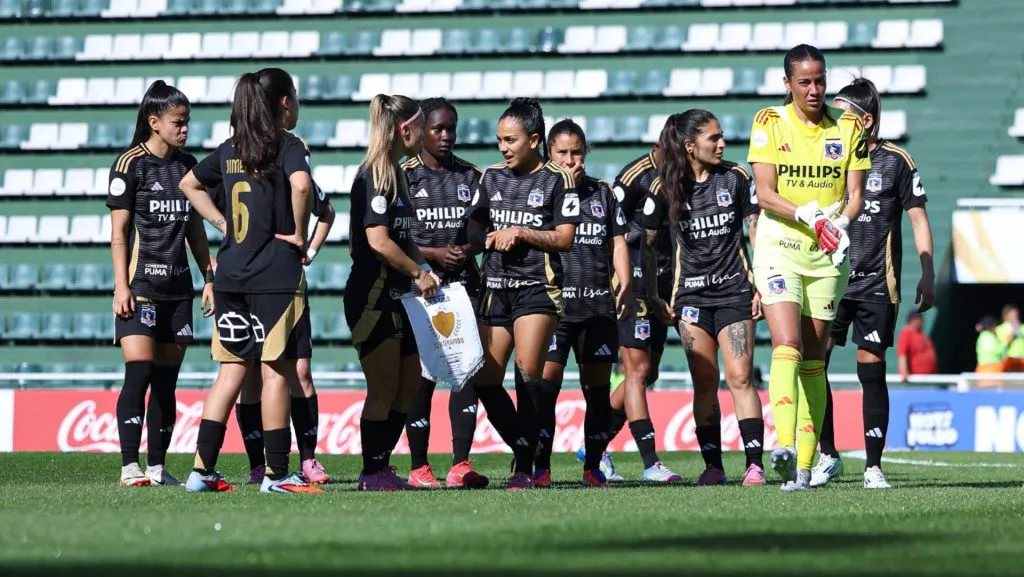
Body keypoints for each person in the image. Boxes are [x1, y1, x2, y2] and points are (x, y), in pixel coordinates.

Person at [179, 67, 320, 494]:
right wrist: (298, 233)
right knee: (276, 372)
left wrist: (224, 223)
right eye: (294, 96)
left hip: (232, 274)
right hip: (275, 275)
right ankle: (277, 475)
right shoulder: (287, 145)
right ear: (283, 103)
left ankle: (201, 471)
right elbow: (301, 185)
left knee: (230, 374)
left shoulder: (229, 149)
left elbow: (189, 183)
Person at [746, 44, 869, 491]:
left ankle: (803, 466)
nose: (815, 89)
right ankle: (782, 446)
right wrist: (808, 216)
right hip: (781, 246)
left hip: (826, 256)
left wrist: (837, 223)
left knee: (815, 362)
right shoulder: (769, 122)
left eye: (820, 80)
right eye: (805, 82)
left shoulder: (848, 126)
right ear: (788, 84)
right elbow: (764, 193)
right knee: (787, 344)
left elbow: (854, 196)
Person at [811, 78, 936, 489]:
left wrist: (928, 271)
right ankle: (827, 455)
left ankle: (872, 465)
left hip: (877, 285)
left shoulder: (897, 161)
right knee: (816, 364)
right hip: (831, 279)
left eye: (843, 115)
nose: (834, 122)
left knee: (871, 371)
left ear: (865, 121)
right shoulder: (829, 157)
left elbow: (917, 217)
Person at [641, 109, 767, 487]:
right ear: (690, 146)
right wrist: (652, 294)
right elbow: (645, 245)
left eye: (722, 136)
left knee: (741, 377)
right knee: (705, 382)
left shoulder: (737, 177)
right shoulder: (664, 187)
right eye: (714, 138)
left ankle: (754, 464)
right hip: (691, 298)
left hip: (734, 291)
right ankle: (713, 466)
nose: (723, 143)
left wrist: (761, 281)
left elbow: (756, 230)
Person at [465, 97, 581, 490]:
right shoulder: (490, 177)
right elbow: (472, 234)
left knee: (528, 372)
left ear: (534, 139)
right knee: (484, 379)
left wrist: (523, 233)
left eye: (511, 140)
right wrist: (484, 239)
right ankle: (526, 447)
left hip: (538, 288)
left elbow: (565, 238)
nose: (503, 148)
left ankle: (522, 470)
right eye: (500, 140)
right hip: (495, 288)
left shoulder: (558, 179)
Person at [108, 80, 214, 487]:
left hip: (178, 290)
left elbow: (196, 231)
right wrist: (122, 287)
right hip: (141, 287)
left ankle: (156, 466)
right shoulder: (129, 164)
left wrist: (208, 276)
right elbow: (119, 234)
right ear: (154, 122)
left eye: (187, 121)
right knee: (139, 373)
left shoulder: (189, 166)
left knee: (167, 383)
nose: (185, 128)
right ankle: (129, 465)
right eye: (178, 122)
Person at [346, 94, 440, 491]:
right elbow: (380, 242)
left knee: (408, 385)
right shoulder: (375, 175)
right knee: (384, 387)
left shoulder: (398, 174)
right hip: (373, 296)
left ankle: (381, 467)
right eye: (422, 125)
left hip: (400, 296)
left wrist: (426, 270)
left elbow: (404, 239)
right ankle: (371, 472)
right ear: (406, 130)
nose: (425, 133)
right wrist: (418, 271)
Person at [532, 118, 632, 488]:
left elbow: (618, 240)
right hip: (555, 309)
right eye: (563, 153)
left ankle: (593, 466)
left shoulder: (602, 192)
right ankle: (540, 467)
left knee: (597, 392)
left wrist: (626, 280)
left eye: (577, 152)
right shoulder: (541, 192)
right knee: (545, 390)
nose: (572, 159)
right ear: (549, 154)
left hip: (596, 307)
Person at [400, 98, 487, 489]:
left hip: (463, 287)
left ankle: (460, 464)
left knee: (465, 370)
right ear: (422, 131)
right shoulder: (403, 176)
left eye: (452, 128)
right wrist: (433, 255)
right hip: (418, 287)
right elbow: (392, 237)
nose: (447, 136)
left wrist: (469, 250)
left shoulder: (471, 176)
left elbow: (483, 232)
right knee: (423, 375)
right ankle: (419, 466)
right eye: (439, 129)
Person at [232, 176, 336, 485]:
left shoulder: (294, 171)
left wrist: (311, 251)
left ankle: (307, 459)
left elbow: (327, 211)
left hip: (289, 284)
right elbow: (196, 198)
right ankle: (257, 464)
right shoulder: (235, 168)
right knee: (250, 373)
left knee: (300, 371)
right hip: (246, 282)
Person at [593, 134, 683, 483]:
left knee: (649, 374)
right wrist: (618, 280)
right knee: (637, 371)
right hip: (632, 281)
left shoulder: (680, 178)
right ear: (663, 147)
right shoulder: (634, 177)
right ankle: (650, 462)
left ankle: (594, 446)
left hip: (659, 281)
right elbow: (608, 229)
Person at [896, 311, 937, 381]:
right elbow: (902, 354)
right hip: (915, 380)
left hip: (929, 379)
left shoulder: (922, 335)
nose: (922, 321)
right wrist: (904, 372)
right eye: (919, 319)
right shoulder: (906, 333)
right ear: (913, 320)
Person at [996, 305, 1024, 372]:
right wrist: (1013, 333)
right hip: (1009, 360)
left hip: (1022, 359)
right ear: (1006, 316)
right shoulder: (1000, 328)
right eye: (1012, 315)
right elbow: (1002, 346)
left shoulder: (1022, 327)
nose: (1015, 317)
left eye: (1016, 315)